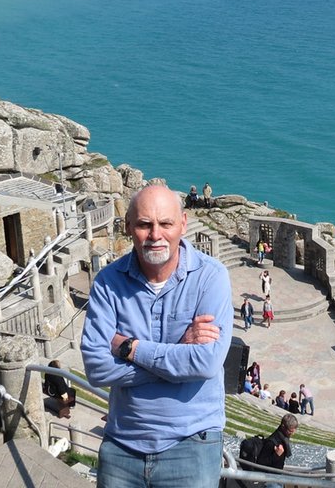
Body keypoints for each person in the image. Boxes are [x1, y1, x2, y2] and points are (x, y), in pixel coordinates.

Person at [81, 185, 233, 488]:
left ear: (183, 224)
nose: (155, 235)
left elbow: (205, 363)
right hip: (122, 442)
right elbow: (96, 369)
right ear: (128, 226)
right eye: (144, 224)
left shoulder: (211, 277)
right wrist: (177, 354)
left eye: (165, 223)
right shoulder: (108, 282)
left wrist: (130, 348)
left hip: (192, 442)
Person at [257, 414, 299, 488]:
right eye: (290, 431)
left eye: (293, 431)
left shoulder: (283, 439)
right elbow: (261, 462)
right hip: (269, 480)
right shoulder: (272, 442)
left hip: (277, 476)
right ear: (283, 427)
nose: (292, 434)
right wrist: (276, 455)